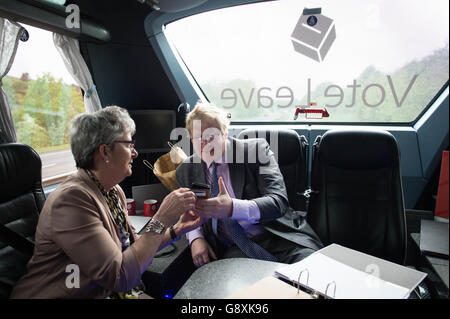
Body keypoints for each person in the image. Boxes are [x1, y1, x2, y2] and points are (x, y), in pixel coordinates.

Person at [11, 106, 200, 299]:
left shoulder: (113, 192)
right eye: (129, 144)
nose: (135, 153)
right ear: (105, 152)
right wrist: (162, 217)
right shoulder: (71, 200)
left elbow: (136, 248)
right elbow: (119, 276)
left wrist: (177, 229)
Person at [176, 102, 323, 267]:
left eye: (212, 136)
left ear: (225, 133)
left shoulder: (257, 151)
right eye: (199, 138)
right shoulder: (185, 170)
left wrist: (232, 208)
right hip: (235, 246)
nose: (206, 144)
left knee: (312, 273)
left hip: (279, 237)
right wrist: (196, 238)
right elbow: (188, 211)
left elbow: (278, 202)